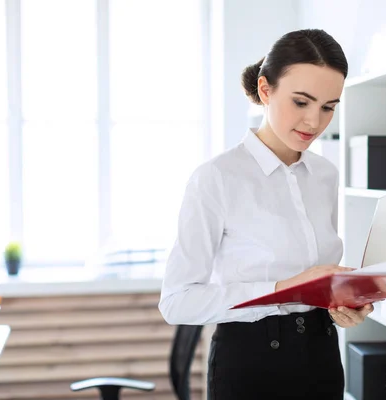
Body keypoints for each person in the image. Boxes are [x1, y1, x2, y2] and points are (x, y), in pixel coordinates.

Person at [158, 28, 374, 400]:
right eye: (301, 102)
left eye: (328, 107)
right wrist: (282, 290)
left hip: (323, 356)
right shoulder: (217, 178)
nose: (314, 122)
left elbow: (317, 279)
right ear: (265, 90)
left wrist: (344, 305)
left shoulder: (325, 176)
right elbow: (177, 300)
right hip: (250, 363)